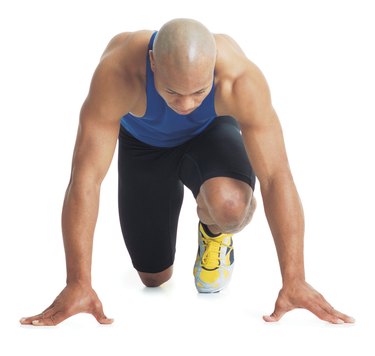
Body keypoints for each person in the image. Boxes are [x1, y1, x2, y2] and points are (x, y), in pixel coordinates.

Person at [20, 18, 354, 326]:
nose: (186, 105)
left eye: (199, 92)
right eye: (173, 92)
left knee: (231, 207)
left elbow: (276, 177)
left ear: (213, 70)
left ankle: (214, 230)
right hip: (143, 146)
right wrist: (78, 282)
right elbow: (85, 179)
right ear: (153, 63)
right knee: (153, 278)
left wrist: (294, 279)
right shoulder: (118, 73)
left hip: (209, 135)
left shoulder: (239, 79)